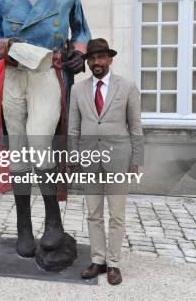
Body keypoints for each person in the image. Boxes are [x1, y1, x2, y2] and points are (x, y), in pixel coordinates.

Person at [0, 0, 91, 260]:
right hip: (14, 77)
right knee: (18, 153)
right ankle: (24, 227)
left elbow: (82, 32)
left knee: (39, 144)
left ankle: (54, 222)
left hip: (47, 74)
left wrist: (79, 53)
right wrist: (4, 46)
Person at [68, 38, 143, 285]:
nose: (96, 62)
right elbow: (74, 129)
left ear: (110, 59)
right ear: (88, 62)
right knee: (93, 213)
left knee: (117, 214)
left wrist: (136, 158)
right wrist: (73, 157)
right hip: (89, 159)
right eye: (92, 58)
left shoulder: (127, 87)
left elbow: (135, 126)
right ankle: (98, 260)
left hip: (119, 160)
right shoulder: (77, 89)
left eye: (101, 57)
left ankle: (114, 263)